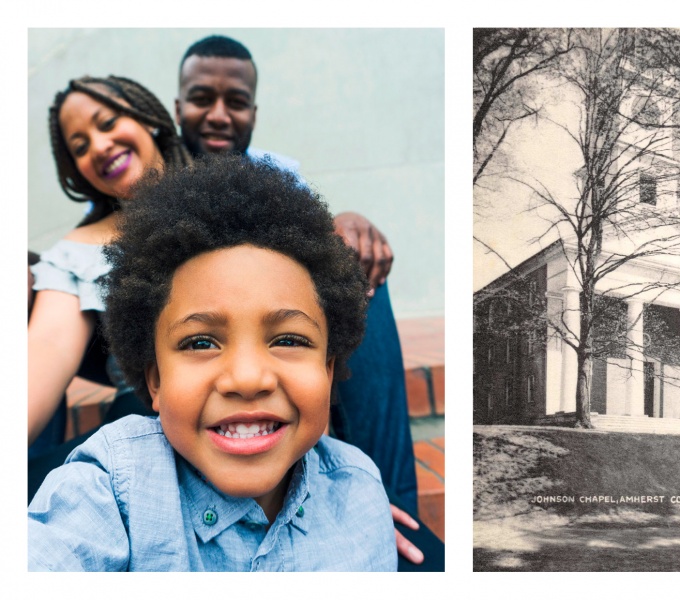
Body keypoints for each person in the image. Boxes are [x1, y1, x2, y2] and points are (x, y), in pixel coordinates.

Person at [29, 155, 397, 571]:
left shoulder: (359, 494)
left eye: (289, 339)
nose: (246, 378)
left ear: (328, 372)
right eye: (200, 342)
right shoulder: (111, 487)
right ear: (155, 381)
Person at [175, 35, 429, 562]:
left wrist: (348, 224)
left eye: (236, 102)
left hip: (275, 334)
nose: (220, 114)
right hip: (198, 348)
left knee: (356, 273)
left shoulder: (277, 175)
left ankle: (393, 507)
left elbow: (317, 244)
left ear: (254, 111)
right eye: (202, 98)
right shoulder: (158, 175)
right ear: (179, 106)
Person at [28, 76, 191, 451]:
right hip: (141, 443)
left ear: (146, 117)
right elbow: (45, 351)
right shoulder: (75, 255)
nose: (99, 146)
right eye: (80, 147)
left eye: (107, 123)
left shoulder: (236, 195)